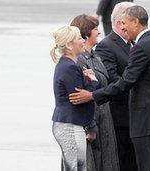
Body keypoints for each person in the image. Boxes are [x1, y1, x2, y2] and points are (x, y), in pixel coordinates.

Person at [70, 5, 150, 171]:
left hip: (148, 121)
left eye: (125, 23)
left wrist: (93, 95)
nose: (123, 27)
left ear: (135, 22)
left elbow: (125, 82)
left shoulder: (142, 47)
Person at [70, 14, 119, 171]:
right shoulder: (80, 61)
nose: (99, 32)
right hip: (92, 125)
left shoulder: (95, 57)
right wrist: (91, 126)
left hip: (105, 120)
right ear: (86, 33)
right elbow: (80, 96)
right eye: (95, 29)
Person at [94, 2, 137, 171]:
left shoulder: (134, 43)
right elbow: (111, 79)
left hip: (136, 118)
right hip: (120, 119)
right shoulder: (106, 46)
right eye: (133, 19)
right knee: (123, 162)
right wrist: (138, 89)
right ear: (121, 23)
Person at [50, 26, 99, 171]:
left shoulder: (70, 65)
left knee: (76, 167)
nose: (84, 41)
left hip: (71, 123)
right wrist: (94, 81)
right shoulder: (69, 67)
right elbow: (79, 97)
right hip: (69, 125)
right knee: (76, 167)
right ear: (69, 45)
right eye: (79, 38)